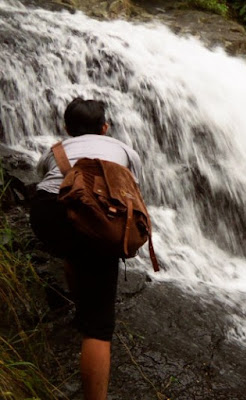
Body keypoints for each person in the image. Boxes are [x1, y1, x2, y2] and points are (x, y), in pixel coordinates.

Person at [30, 97, 142, 400]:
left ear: (66, 128)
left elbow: (49, 182)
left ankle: (79, 303)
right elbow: (131, 192)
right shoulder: (124, 150)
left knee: (74, 247)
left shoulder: (55, 150)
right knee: (99, 328)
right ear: (105, 128)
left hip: (47, 214)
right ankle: (90, 320)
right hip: (98, 216)